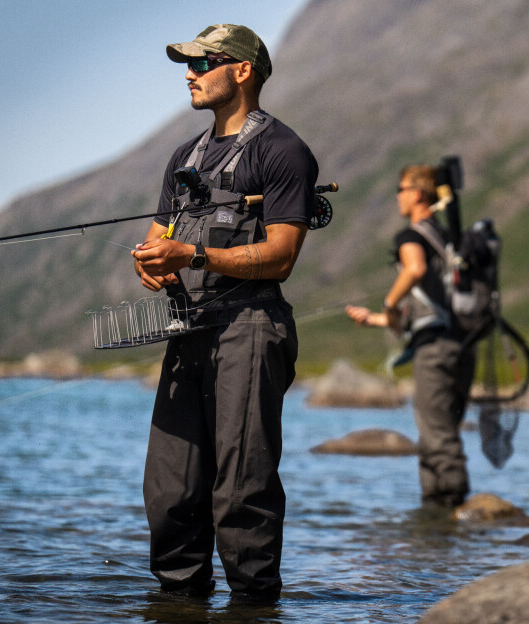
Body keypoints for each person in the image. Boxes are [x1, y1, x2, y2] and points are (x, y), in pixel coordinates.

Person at [131, 24, 318, 599]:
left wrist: (192, 255)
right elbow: (157, 237)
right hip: (189, 329)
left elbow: (282, 256)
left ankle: (253, 606)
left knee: (241, 491)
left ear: (241, 70)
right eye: (187, 65)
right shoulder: (183, 156)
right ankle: (178, 605)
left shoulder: (282, 150)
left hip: (251, 327)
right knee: (169, 490)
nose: (189, 74)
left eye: (202, 63)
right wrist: (151, 263)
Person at [345, 165, 476, 507]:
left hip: (435, 350)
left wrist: (389, 303)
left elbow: (415, 270)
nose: (397, 196)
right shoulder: (449, 239)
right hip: (463, 345)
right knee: (444, 428)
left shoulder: (411, 236)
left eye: (401, 189)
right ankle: (437, 510)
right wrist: (377, 319)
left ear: (417, 194)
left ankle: (448, 512)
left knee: (436, 433)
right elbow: (432, 306)